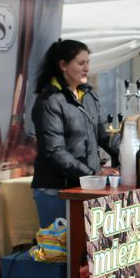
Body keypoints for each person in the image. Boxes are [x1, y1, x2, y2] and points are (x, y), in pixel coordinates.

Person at [31, 39, 119, 227]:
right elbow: (55, 151)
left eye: (88, 62)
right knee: (60, 252)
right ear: (63, 65)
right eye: (81, 63)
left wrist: (134, 157)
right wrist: (93, 174)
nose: (87, 68)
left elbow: (105, 135)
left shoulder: (88, 95)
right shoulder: (50, 101)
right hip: (56, 190)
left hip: (86, 187)